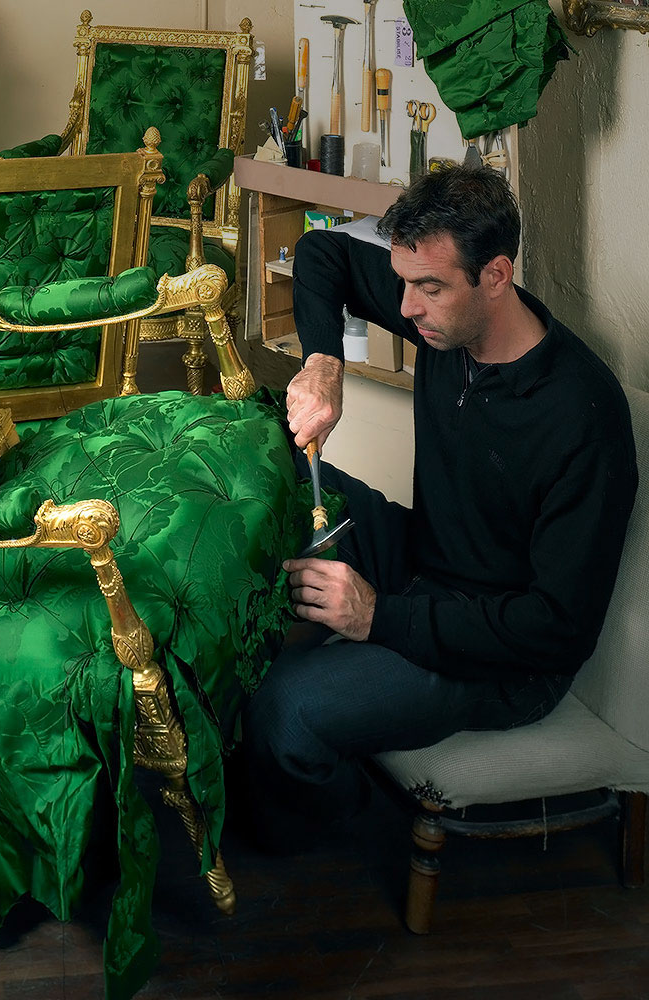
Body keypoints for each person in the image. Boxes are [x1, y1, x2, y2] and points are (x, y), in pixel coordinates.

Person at [242, 165, 638, 843]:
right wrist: (323, 364)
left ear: (496, 276)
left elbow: (557, 629)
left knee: (286, 708)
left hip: (504, 657)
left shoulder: (583, 416)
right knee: (274, 480)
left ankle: (344, 822)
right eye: (403, 282)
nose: (407, 308)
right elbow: (320, 253)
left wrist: (378, 617)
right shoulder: (447, 320)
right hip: (424, 560)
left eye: (429, 288)